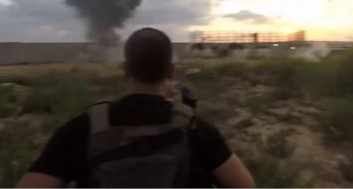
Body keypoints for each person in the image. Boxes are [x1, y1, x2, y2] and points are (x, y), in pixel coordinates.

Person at [16, 28, 255, 188]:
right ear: (171, 71)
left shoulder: (84, 129)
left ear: (125, 70)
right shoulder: (196, 129)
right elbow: (245, 185)